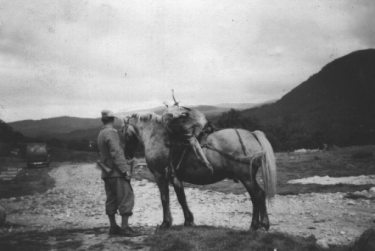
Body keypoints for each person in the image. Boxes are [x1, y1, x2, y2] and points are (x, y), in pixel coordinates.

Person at [97, 109, 140, 237]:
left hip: (107, 173)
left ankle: (113, 227)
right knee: (126, 197)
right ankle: (125, 228)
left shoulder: (101, 133)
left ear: (103, 120)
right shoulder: (111, 132)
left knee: (111, 199)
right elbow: (116, 152)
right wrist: (125, 170)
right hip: (116, 173)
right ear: (113, 119)